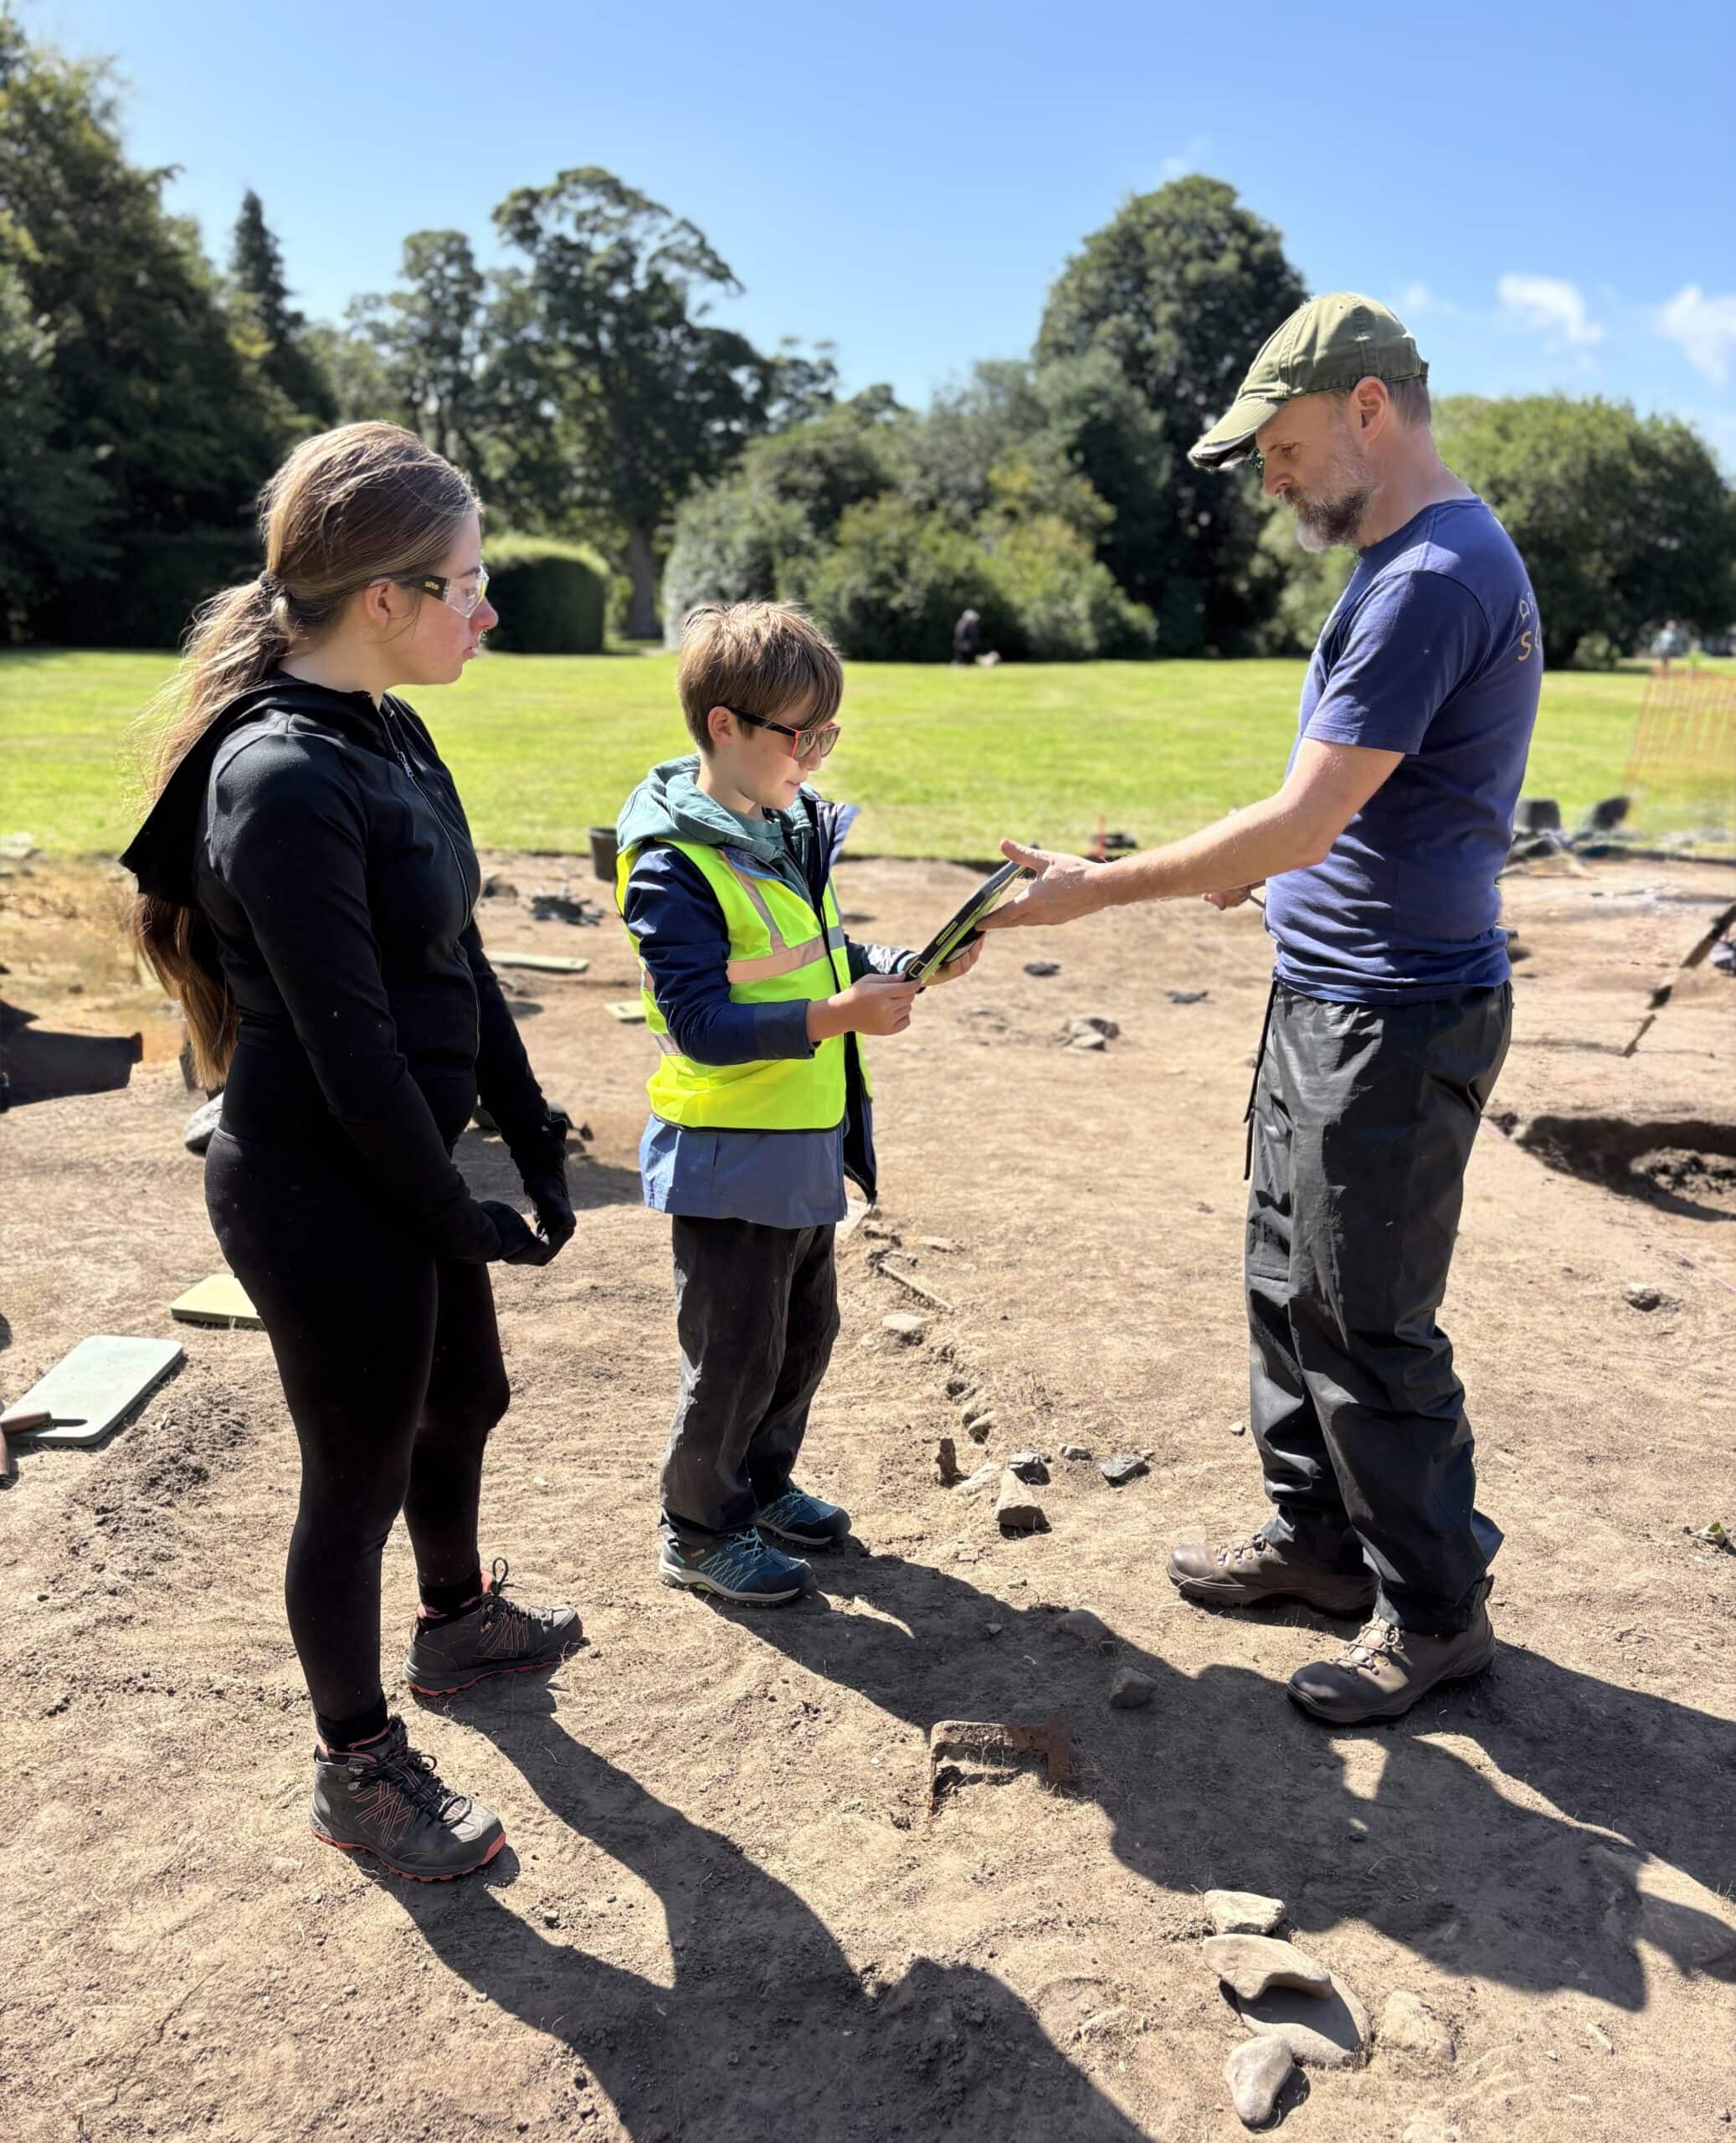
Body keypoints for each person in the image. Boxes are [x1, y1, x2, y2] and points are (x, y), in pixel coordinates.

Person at [980, 295, 1543, 1725]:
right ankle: (1316, 1542)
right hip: (1332, 992)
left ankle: (1432, 1614)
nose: (1270, 481)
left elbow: (1301, 820)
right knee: (1287, 1282)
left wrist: (1096, 892)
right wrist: (1262, 885)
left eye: (1280, 449)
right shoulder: (1403, 561)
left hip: (1391, 1017)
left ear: (1367, 407)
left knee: (1365, 1321)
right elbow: (1339, 823)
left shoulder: (1429, 574)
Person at [123, 423, 582, 1879]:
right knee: (355, 1479)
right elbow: (350, 1050)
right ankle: (357, 1765)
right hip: (317, 1184)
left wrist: (527, 1128)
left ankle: (457, 1621)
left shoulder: (389, 728)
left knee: (471, 1396)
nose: (485, 607)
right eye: (466, 581)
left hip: (402, 1160)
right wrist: (451, 1209)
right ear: (383, 598)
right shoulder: (279, 780)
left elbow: (453, 959)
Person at [614, 603, 980, 1604]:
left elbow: (819, 954)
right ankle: (697, 1527)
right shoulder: (671, 863)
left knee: (799, 1336)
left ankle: (761, 1486)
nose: (815, 757)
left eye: (828, 734)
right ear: (724, 726)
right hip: (727, 1149)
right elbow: (697, 1021)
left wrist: (902, 968)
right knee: (731, 1355)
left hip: (801, 1137)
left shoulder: (777, 825)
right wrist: (833, 1016)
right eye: (799, 735)